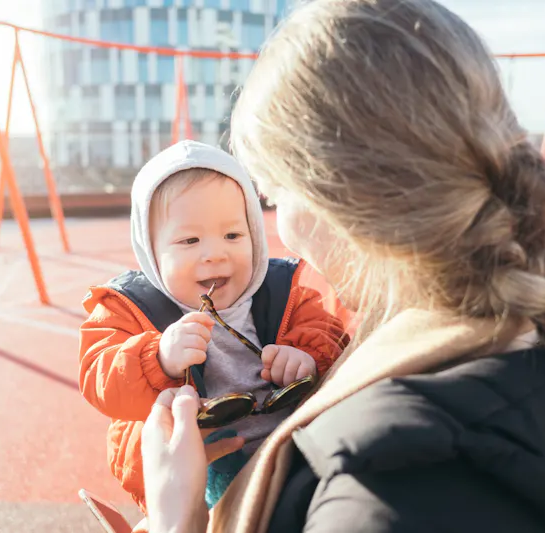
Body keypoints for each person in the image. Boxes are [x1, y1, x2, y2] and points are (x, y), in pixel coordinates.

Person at [139, 0, 545, 532]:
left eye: (274, 194)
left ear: (338, 200)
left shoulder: (381, 483)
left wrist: (180, 521)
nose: (280, 227)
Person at [78, 140, 349, 513]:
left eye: (233, 235)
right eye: (189, 240)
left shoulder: (281, 291)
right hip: (196, 468)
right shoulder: (129, 308)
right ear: (151, 251)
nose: (215, 253)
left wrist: (307, 357)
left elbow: (330, 334)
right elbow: (99, 377)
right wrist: (157, 357)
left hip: (289, 448)